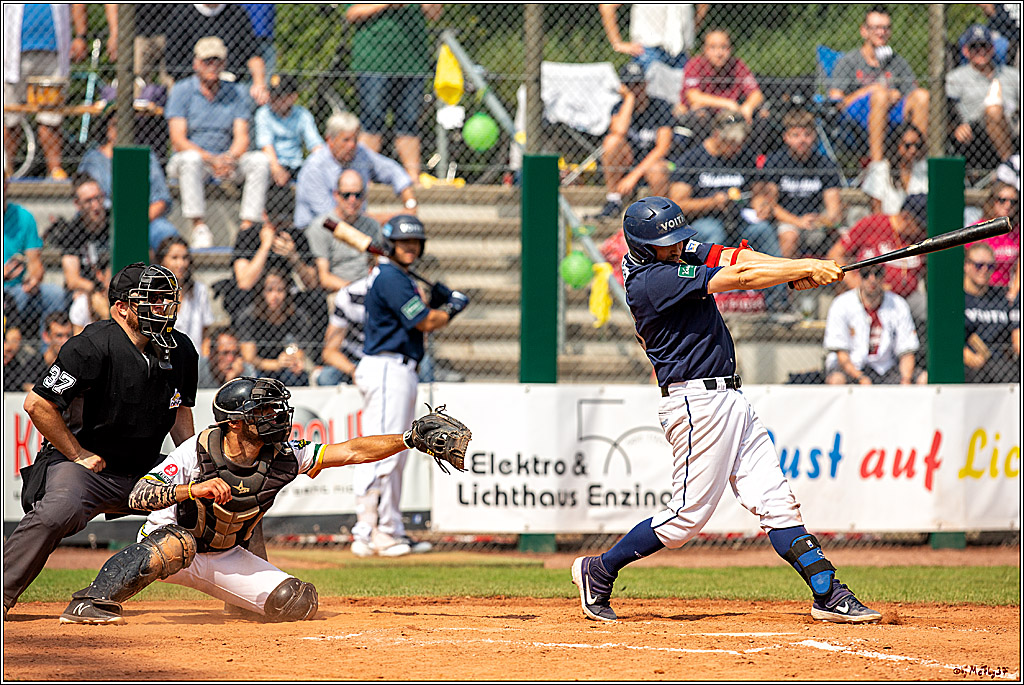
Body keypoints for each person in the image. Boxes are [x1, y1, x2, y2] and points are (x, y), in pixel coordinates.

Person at [570, 196, 881, 624]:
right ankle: (599, 569)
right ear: (644, 246)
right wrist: (804, 266)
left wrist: (796, 271)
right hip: (696, 404)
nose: (679, 247)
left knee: (777, 502)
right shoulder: (651, 280)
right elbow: (738, 277)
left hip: (729, 399)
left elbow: (741, 258)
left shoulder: (674, 253)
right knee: (684, 520)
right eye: (668, 242)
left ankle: (827, 592)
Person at [3, 262, 198, 621]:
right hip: (86, 466)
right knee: (59, 511)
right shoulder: (91, 345)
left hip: (145, 471)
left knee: (216, 496)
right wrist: (77, 454)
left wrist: (196, 466)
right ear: (122, 307)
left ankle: (94, 598)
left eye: (168, 300)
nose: (164, 308)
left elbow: (180, 412)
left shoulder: (181, 350)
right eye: (152, 300)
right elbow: (38, 404)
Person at [352, 215, 469, 556]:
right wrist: (451, 307)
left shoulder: (397, 276)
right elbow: (424, 321)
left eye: (415, 243)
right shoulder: (390, 277)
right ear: (389, 245)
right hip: (387, 367)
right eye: (404, 243)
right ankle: (367, 531)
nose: (410, 248)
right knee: (383, 451)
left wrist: (439, 300)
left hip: (399, 369)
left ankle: (389, 529)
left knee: (395, 452)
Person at [668, 111, 786, 312]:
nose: (736, 149)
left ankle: (778, 302)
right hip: (702, 223)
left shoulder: (743, 157)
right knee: (715, 233)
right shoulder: (693, 159)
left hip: (738, 220)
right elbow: (677, 204)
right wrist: (711, 202)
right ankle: (710, 299)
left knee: (764, 231)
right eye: (731, 144)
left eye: (739, 144)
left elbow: (756, 191)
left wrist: (760, 204)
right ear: (716, 136)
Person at [165, 36, 271, 249]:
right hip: (193, 161)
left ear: (224, 63)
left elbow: (242, 136)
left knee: (260, 161)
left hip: (226, 160)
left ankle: (247, 228)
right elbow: (178, 140)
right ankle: (199, 226)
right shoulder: (182, 90)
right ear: (196, 63)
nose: (212, 66)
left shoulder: (237, 92)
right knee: (190, 159)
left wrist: (229, 158)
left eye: (217, 61)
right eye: (207, 61)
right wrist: (211, 159)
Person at [344, 4, 442, 183]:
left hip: (413, 62)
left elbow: (435, 14)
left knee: (409, 121)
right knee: (372, 120)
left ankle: (413, 179)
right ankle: (365, 179)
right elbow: (352, 13)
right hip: (373, 60)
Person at [827, 5, 930, 163]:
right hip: (856, 123)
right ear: (864, 31)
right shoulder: (848, 61)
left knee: (922, 96)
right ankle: (878, 167)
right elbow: (835, 103)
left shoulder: (897, 62)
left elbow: (912, 94)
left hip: (894, 120)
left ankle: (919, 165)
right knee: (880, 95)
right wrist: (870, 91)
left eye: (886, 28)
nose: (881, 33)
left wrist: (898, 95)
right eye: (875, 28)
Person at [3, 4, 88, 179]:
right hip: (12, 50)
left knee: (51, 116)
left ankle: (55, 169)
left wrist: (80, 35)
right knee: (10, 116)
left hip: (54, 50)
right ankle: (6, 166)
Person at [77, 109, 181, 252]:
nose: (121, 130)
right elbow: (83, 194)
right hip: (103, 221)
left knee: (167, 234)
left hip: (143, 221)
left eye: (127, 125)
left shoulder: (147, 157)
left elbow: (161, 199)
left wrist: (137, 223)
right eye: (115, 125)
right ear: (108, 129)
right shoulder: (93, 159)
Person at [294, 112, 418, 230]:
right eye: (346, 140)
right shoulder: (314, 167)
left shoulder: (361, 153)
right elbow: (335, 218)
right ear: (330, 140)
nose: (352, 145)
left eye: (355, 140)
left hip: (358, 227)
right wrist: (393, 217)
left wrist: (410, 203)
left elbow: (392, 170)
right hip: (318, 233)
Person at [592, 62, 677, 220]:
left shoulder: (660, 106)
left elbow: (662, 147)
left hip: (653, 163)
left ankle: (661, 216)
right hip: (626, 162)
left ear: (646, 84)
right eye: (629, 85)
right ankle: (614, 200)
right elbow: (619, 131)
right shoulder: (619, 107)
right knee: (612, 141)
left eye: (638, 84)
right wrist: (629, 99)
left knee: (656, 170)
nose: (635, 89)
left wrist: (634, 175)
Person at [827, 194, 928, 326]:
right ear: (906, 218)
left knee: (930, 309)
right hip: (870, 296)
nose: (924, 230)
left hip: (906, 299)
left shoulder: (920, 238)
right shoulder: (874, 223)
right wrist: (856, 283)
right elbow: (835, 254)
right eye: (920, 225)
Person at [228, 183, 320, 325]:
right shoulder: (248, 236)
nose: (280, 227)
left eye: (285, 222)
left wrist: (293, 257)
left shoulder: (297, 236)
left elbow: (312, 283)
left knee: (316, 298)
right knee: (238, 297)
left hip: (286, 296)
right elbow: (244, 283)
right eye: (276, 221)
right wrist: (265, 246)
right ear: (265, 215)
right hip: (255, 296)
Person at [762, 109, 845, 259]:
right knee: (790, 236)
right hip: (786, 221)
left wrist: (821, 220)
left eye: (807, 134)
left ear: (814, 136)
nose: (802, 140)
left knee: (843, 239)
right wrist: (798, 221)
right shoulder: (775, 162)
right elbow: (771, 205)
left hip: (816, 222)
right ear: (786, 137)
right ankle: (785, 282)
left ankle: (835, 280)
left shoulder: (825, 164)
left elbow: (834, 210)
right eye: (796, 135)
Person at [823, 264, 922, 385]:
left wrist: (905, 380)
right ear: (858, 276)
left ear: (884, 276)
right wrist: (860, 378)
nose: (872, 279)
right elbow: (841, 355)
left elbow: (907, 351)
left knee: (923, 378)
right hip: (852, 367)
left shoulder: (898, 304)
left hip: (886, 369)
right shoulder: (842, 304)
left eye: (878, 273)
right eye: (866, 274)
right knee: (837, 380)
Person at [946, 24, 1020, 171]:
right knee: (993, 109)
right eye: (975, 47)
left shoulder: (1012, 75)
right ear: (966, 51)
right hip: (976, 137)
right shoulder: (956, 77)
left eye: (984, 46)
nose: (981, 51)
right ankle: (1012, 169)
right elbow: (944, 110)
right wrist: (955, 127)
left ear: (992, 48)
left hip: (1013, 130)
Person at [162, 3, 268, 104]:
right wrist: (204, 79)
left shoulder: (237, 13)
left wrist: (259, 84)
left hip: (230, 86)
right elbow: (172, 64)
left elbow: (253, 56)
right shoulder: (182, 13)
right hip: (192, 84)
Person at [4, 173, 68, 336]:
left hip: (18, 291)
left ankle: (47, 353)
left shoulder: (23, 217)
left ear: (6, 185)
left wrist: (33, 279)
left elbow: (35, 263)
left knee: (56, 295)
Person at [678, 29, 767, 145]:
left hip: (731, 117)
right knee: (700, 115)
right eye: (713, 47)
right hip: (705, 117)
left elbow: (757, 94)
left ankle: (755, 158)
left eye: (723, 47)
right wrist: (727, 103)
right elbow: (693, 96)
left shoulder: (737, 65)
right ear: (705, 49)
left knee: (764, 115)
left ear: (730, 49)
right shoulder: (695, 64)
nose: (719, 53)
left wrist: (748, 106)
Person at [306, 170, 383, 294]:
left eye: (357, 195)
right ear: (336, 195)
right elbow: (324, 278)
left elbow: (378, 264)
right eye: (346, 195)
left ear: (364, 196)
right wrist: (357, 291)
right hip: (339, 293)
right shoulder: (322, 226)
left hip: (370, 290)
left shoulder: (373, 226)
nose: (352, 200)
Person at [237, 267, 313, 387]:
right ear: (261, 292)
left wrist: (294, 361)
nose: (275, 296)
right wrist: (276, 364)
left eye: (280, 290)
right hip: (259, 369)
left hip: (285, 368)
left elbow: (299, 350)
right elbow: (249, 358)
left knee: (298, 377)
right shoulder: (249, 317)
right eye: (269, 290)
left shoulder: (297, 316)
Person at [46, 175, 110, 314]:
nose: (96, 205)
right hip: (89, 290)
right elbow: (72, 280)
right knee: (87, 302)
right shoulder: (72, 233)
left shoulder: (116, 223)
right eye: (88, 201)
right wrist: (97, 288)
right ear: (77, 204)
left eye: (98, 198)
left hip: (116, 285)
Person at [963, 243, 1020, 383]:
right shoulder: (956, 299)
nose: (984, 270)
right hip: (968, 365)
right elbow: (946, 337)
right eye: (979, 265)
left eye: (989, 266)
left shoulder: (1002, 297)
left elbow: (1016, 333)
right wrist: (964, 354)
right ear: (966, 265)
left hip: (1002, 366)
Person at [255, 73, 324, 188]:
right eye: (273, 96)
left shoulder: (302, 114)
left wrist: (324, 162)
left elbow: (315, 144)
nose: (275, 101)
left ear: (293, 97)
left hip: (296, 165)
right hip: (272, 165)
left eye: (280, 97)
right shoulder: (264, 113)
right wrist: (276, 169)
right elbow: (266, 145)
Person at [598, 4, 708, 72]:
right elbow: (607, 6)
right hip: (648, 52)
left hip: (681, 53)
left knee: (681, 101)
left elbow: (703, 6)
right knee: (652, 102)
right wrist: (617, 43)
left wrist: (693, 29)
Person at [157, 236, 215, 356]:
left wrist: (202, 360)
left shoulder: (199, 290)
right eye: (174, 258)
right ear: (162, 260)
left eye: (185, 258)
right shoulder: (153, 294)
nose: (181, 264)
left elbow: (206, 334)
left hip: (194, 360)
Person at [318, 269, 375, 387]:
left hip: (391, 362)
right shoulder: (349, 296)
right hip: (354, 362)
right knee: (326, 377)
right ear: (370, 271)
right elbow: (329, 352)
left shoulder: (405, 295)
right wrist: (354, 371)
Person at [860, 122, 928, 216]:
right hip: (888, 224)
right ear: (897, 144)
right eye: (908, 145)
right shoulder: (880, 170)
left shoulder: (924, 169)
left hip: (918, 226)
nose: (913, 150)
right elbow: (876, 210)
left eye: (917, 146)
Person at [3, 311, 73, 392]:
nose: (65, 340)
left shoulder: (75, 365)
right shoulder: (33, 365)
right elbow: (16, 384)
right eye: (59, 336)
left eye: (68, 335)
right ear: (46, 336)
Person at [970, 182, 1020, 291]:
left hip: (1006, 290)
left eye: (1013, 202)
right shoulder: (980, 229)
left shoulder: (1017, 231)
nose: (1008, 205)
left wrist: (1015, 290)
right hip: (981, 289)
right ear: (993, 201)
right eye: (1002, 200)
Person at [198, 325, 257, 389]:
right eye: (224, 353)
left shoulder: (246, 370)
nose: (230, 359)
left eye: (235, 353)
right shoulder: (198, 369)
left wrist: (232, 380)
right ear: (212, 354)